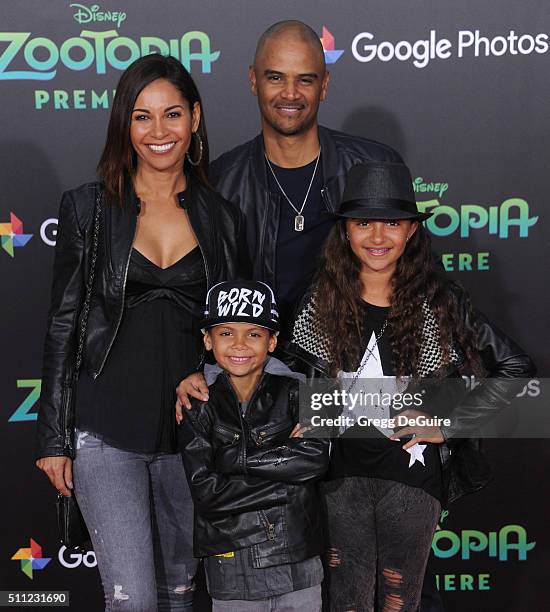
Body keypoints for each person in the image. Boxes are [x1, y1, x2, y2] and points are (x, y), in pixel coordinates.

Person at [35, 54, 248, 611]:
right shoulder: (88, 209)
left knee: (179, 596)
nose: (159, 132)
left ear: (195, 118)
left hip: (191, 435)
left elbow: (236, 328)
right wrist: (54, 439)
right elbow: (64, 324)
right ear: (123, 126)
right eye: (141, 117)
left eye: (172, 114)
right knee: (132, 601)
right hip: (106, 433)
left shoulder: (223, 218)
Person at [285, 161, 536, 611]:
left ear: (411, 232)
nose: (378, 238)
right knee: (346, 602)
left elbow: (515, 366)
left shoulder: (440, 300)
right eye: (364, 223)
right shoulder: (321, 297)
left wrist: (449, 423)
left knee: (402, 600)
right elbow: (281, 370)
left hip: (412, 480)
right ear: (344, 231)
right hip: (339, 478)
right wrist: (303, 416)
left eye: (393, 224)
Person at [179, 280, 330, 611]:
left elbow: (315, 459)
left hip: (297, 559)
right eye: (226, 333)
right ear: (207, 339)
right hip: (232, 567)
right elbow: (207, 492)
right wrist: (284, 481)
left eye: (254, 334)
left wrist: (235, 459)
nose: (239, 344)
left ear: (272, 341)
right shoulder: (198, 404)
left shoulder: (297, 392)